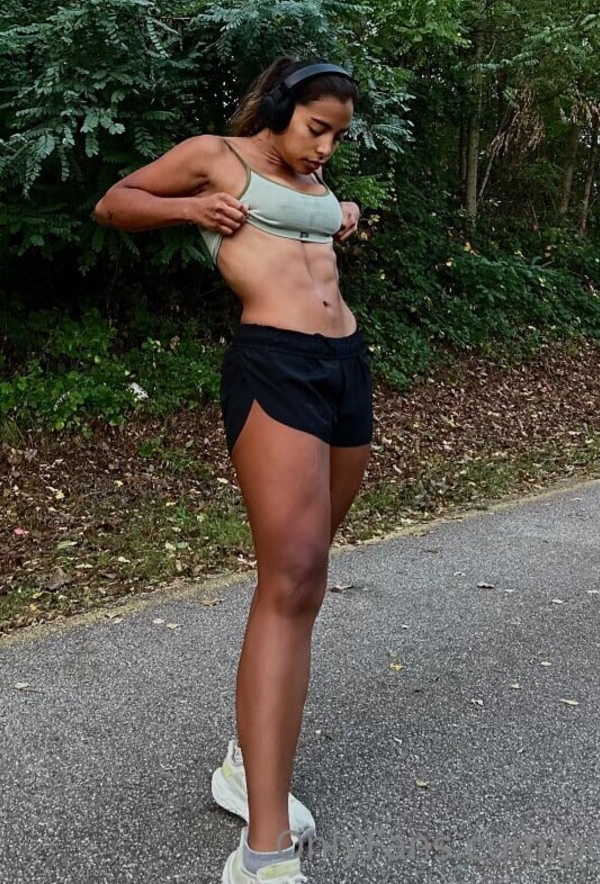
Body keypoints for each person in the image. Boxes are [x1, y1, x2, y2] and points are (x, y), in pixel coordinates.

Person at [93, 57, 372, 884]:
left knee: (308, 574)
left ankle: (249, 764)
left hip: (345, 366)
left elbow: (309, 232)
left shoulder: (314, 181)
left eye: (338, 137)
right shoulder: (215, 155)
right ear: (281, 107)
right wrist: (189, 209)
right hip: (275, 364)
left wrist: (344, 212)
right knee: (291, 575)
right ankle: (263, 850)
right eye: (316, 129)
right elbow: (115, 201)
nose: (325, 148)